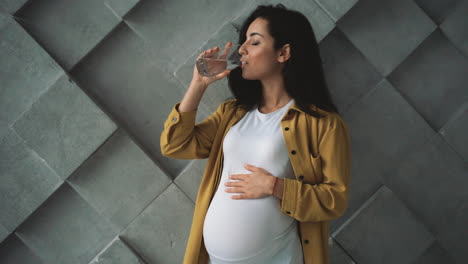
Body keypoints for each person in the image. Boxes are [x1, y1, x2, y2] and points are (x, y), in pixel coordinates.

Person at [160, 4, 351, 264]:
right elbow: (175, 146)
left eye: (255, 41)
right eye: (244, 41)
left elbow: (334, 200)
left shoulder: (323, 123)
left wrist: (276, 186)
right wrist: (198, 85)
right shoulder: (232, 113)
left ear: (283, 53)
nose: (241, 50)